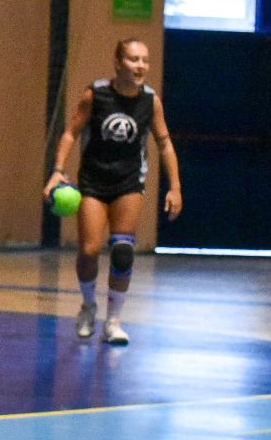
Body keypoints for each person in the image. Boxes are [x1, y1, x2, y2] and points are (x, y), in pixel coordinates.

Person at [43, 38, 182, 345]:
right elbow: (70, 133)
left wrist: (175, 186)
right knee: (90, 250)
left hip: (129, 183)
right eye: (133, 59)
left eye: (145, 60)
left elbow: (164, 143)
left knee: (122, 251)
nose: (140, 66)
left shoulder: (150, 101)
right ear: (118, 63)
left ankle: (114, 321)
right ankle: (89, 306)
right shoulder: (97, 94)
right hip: (93, 182)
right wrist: (57, 171)